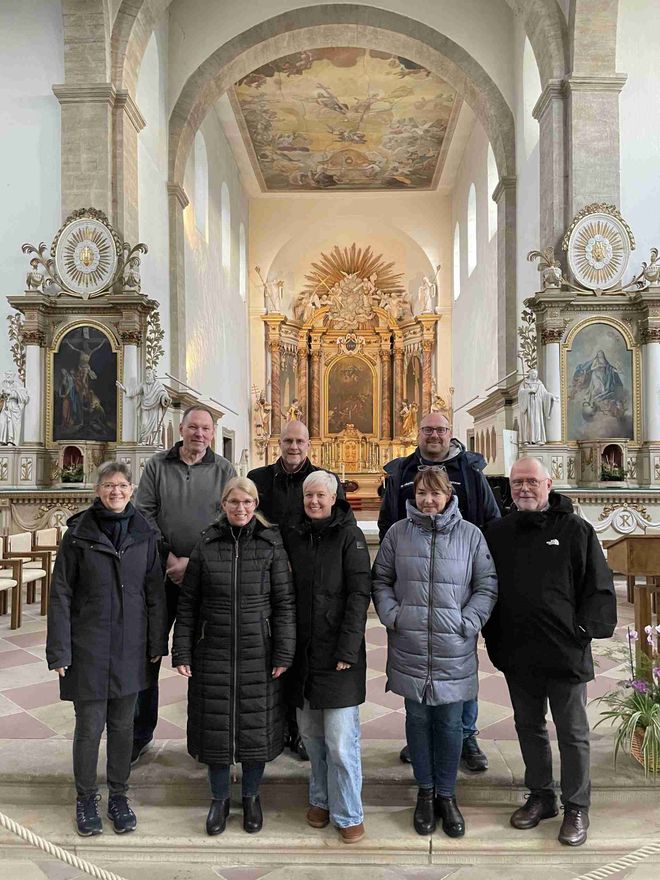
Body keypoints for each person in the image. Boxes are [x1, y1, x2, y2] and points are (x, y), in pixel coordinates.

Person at [482, 457, 617, 847]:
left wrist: (582, 631)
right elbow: (487, 587)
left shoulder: (576, 530)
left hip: (564, 650)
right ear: (508, 488)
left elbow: (598, 586)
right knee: (529, 727)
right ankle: (541, 795)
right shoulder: (498, 532)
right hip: (518, 649)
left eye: (531, 481)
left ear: (548, 483)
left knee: (573, 733)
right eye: (516, 482)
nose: (523, 488)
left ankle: (577, 806)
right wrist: (494, 634)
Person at [372, 467, 497, 837]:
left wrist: (468, 621)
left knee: (449, 724)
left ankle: (447, 795)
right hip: (410, 644)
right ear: (414, 495)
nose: (428, 500)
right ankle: (425, 793)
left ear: (448, 495)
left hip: (453, 646)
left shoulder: (470, 535)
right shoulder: (398, 533)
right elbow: (380, 579)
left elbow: (486, 584)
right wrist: (394, 616)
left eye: (435, 493)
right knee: (418, 721)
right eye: (422, 493)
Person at [46, 462, 168, 837]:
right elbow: (61, 592)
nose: (116, 492)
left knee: (122, 727)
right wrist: (60, 650)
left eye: (122, 485)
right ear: (98, 490)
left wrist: (155, 643)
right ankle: (85, 798)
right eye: (108, 485)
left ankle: (118, 795)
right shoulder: (78, 534)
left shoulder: (145, 533)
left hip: (131, 646)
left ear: (132, 490)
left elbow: (154, 593)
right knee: (89, 727)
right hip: (89, 645)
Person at [172, 477, 296, 835]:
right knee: (217, 725)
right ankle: (219, 799)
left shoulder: (271, 544)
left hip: (260, 647)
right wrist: (182, 648)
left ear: (256, 505)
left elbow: (284, 603)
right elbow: (189, 601)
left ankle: (252, 797)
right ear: (223, 504)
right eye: (234, 502)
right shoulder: (207, 543)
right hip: (213, 647)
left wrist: (283, 650)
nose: (241, 509)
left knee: (255, 725)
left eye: (248, 502)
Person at [378, 411, 501, 770]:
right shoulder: (402, 471)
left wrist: (473, 606)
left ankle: (467, 736)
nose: (434, 434)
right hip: (415, 594)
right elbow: (389, 522)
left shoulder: (471, 472)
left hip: (457, 591)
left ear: (450, 433)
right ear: (418, 433)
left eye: (441, 429)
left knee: (460, 670)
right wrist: (394, 609)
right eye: (428, 429)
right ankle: (421, 739)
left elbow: (490, 522)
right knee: (417, 669)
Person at [131, 406, 236, 762]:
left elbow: (229, 520)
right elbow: (142, 514)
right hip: (160, 576)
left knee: (205, 657)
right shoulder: (157, 466)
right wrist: (170, 558)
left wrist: (194, 562)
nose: (200, 434)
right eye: (193, 427)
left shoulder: (224, 470)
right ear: (181, 428)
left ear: (212, 431)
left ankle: (204, 738)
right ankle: (139, 733)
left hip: (206, 579)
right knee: (149, 651)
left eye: (206, 428)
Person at [248, 420, 345, 761]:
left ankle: (302, 730)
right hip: (264, 580)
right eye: (287, 440)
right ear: (279, 442)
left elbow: (339, 528)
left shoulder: (323, 480)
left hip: (309, 582)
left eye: (299, 441)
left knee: (301, 649)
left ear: (309, 444)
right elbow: (249, 522)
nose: (293, 446)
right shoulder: (258, 479)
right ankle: (279, 725)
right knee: (271, 651)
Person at [282, 470, 371, 844]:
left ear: (334, 498)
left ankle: (350, 811)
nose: (314, 502)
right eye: (308, 497)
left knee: (339, 741)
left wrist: (348, 650)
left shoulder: (350, 537)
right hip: (303, 651)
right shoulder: (294, 534)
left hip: (338, 655)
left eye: (320, 496)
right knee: (312, 738)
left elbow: (358, 595)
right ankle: (320, 799)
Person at [517, 369, 557, 445]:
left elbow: (545, 394)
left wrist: (551, 396)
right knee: (528, 422)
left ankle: (538, 439)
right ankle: (527, 439)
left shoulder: (540, 384)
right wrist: (528, 391)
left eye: (536, 374)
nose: (535, 375)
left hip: (537, 406)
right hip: (528, 405)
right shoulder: (524, 383)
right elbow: (520, 393)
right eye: (533, 374)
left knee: (537, 422)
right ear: (529, 374)